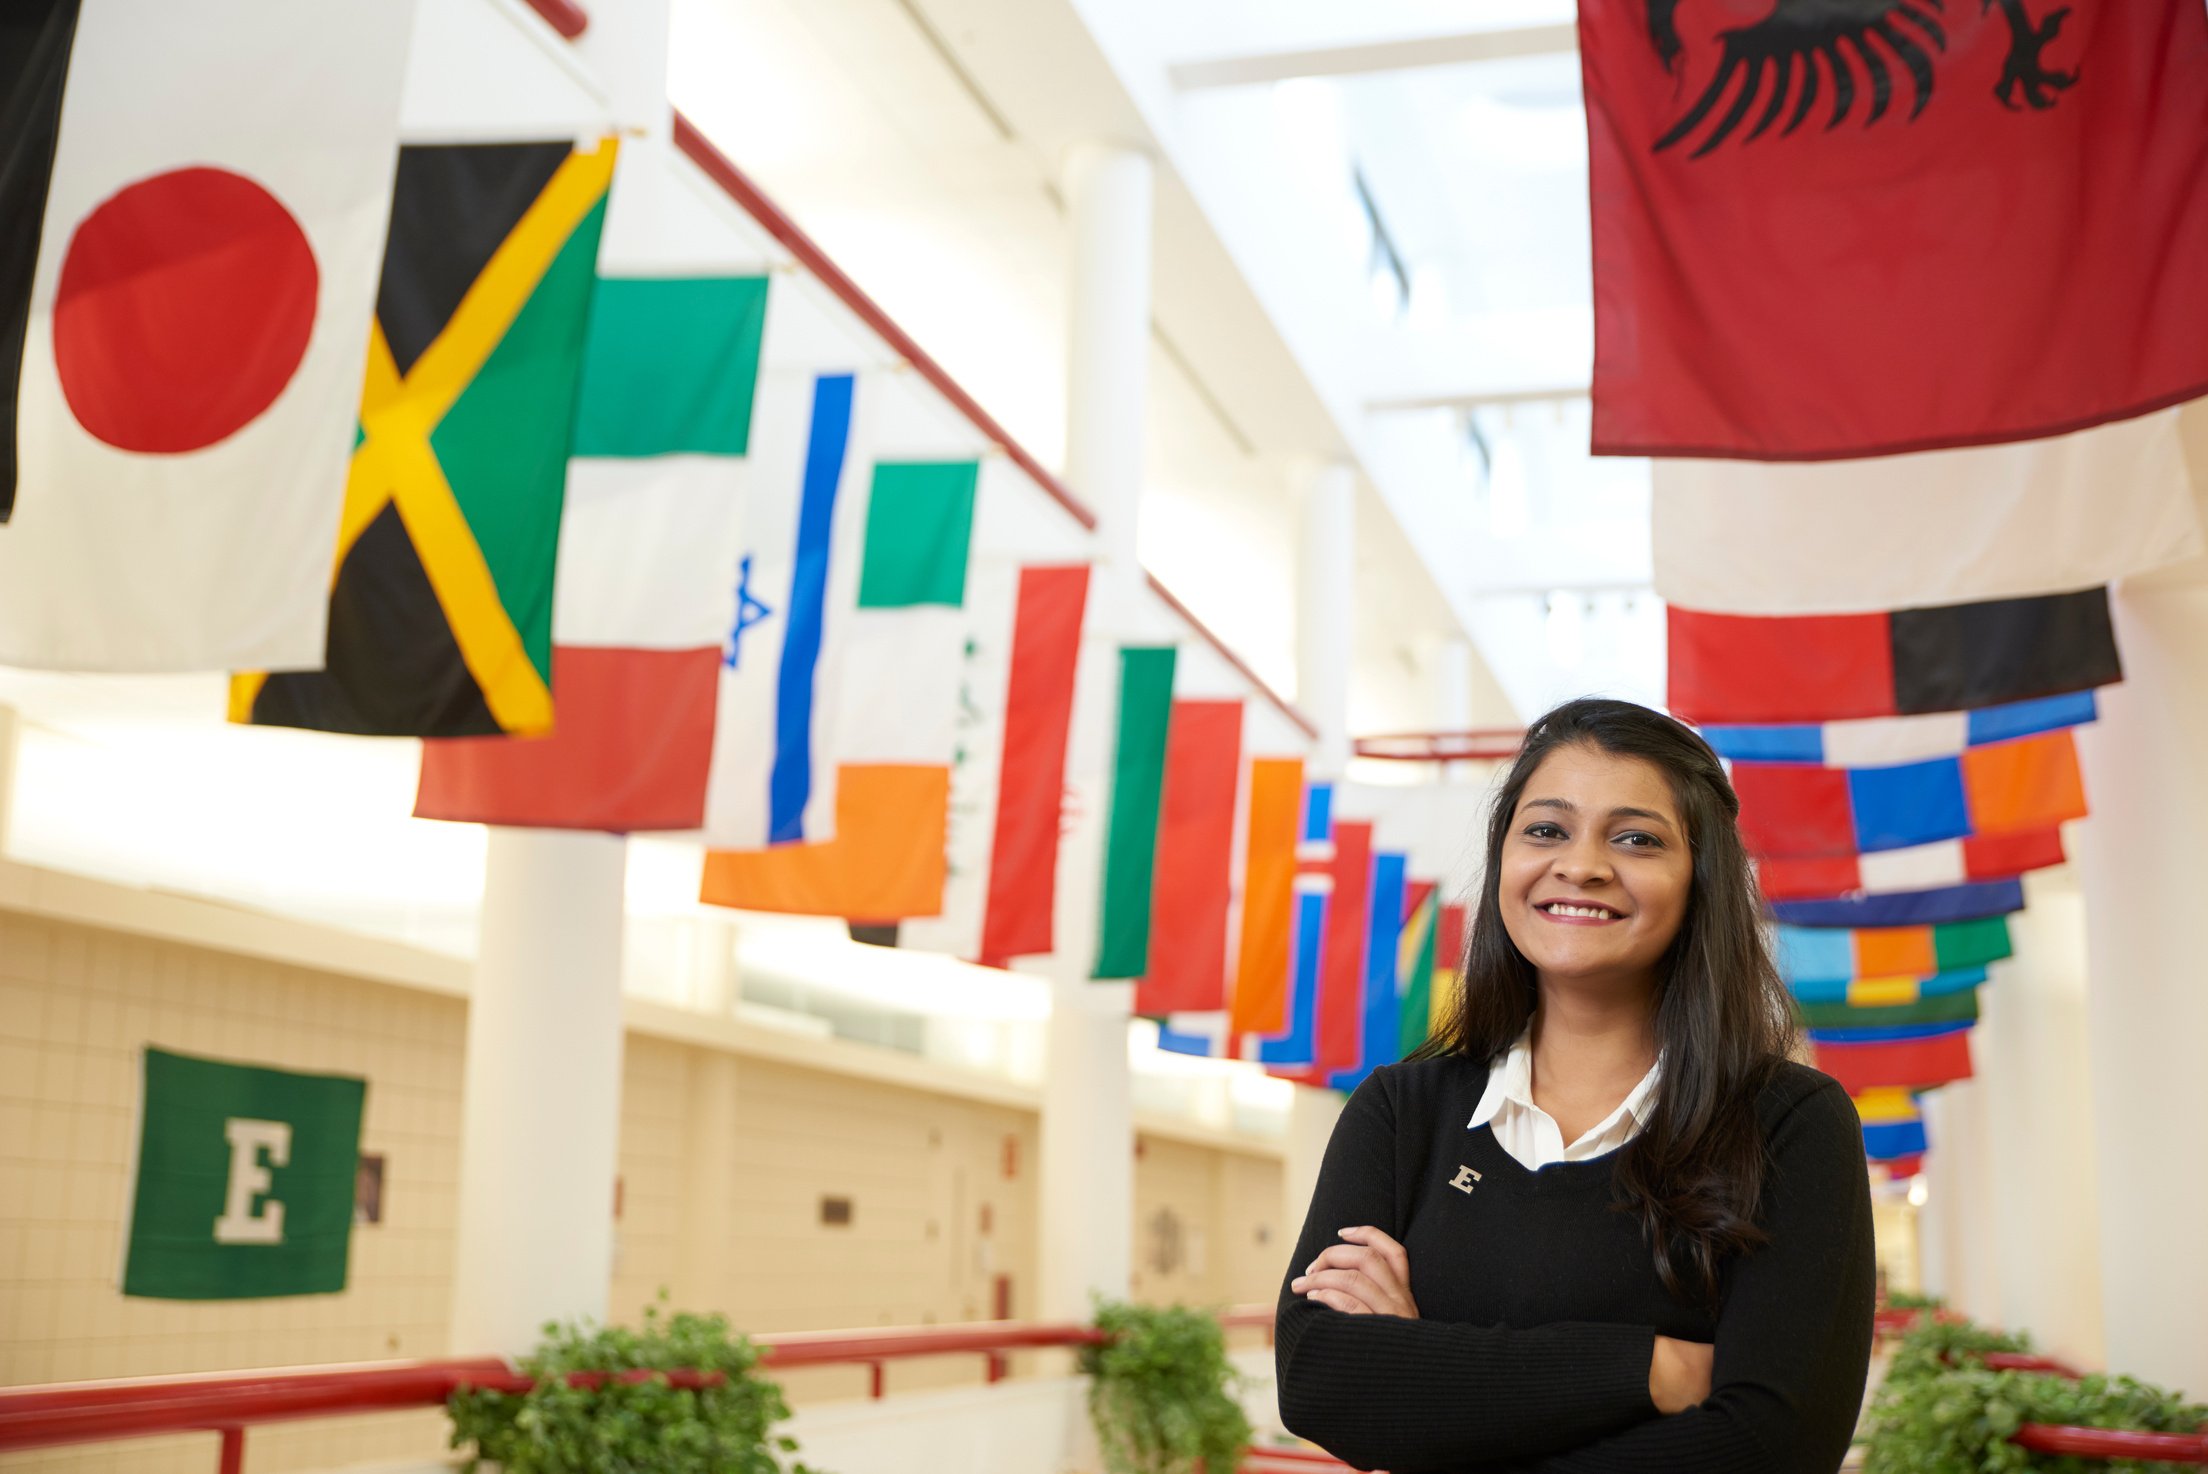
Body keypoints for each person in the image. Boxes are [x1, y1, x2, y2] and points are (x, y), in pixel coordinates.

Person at [1274, 698, 1874, 1473]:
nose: (1582, 864)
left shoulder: (1790, 1123)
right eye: (1547, 829)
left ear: (1700, 879)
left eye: (1636, 838)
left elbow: (1773, 1444)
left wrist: (1424, 1371)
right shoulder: (1401, 1113)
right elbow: (1322, 1380)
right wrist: (1654, 1370)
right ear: (1504, 862)